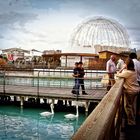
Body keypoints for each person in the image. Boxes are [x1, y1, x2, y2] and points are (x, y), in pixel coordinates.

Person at [116, 58, 140, 125]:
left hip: (130, 91)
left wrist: (122, 68)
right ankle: (133, 118)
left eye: (125, 63)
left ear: (127, 64)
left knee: (127, 106)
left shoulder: (127, 72)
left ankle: (131, 122)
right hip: (136, 90)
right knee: (133, 105)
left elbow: (117, 74)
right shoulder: (133, 71)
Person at [129, 52, 140, 117]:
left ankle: (132, 115)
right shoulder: (139, 63)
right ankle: (138, 112)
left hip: (132, 82)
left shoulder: (131, 62)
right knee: (138, 99)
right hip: (139, 81)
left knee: (132, 100)